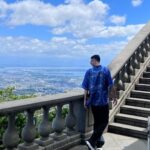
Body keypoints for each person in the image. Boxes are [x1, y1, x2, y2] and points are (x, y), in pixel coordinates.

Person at [81, 54, 117, 150]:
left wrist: (85, 101)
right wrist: (114, 97)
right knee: (104, 122)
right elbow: (111, 85)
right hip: (102, 102)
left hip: (93, 103)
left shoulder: (89, 72)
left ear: (95, 60)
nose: (90, 62)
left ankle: (95, 144)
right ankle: (92, 141)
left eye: (91, 60)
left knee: (97, 123)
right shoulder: (105, 70)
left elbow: (85, 88)